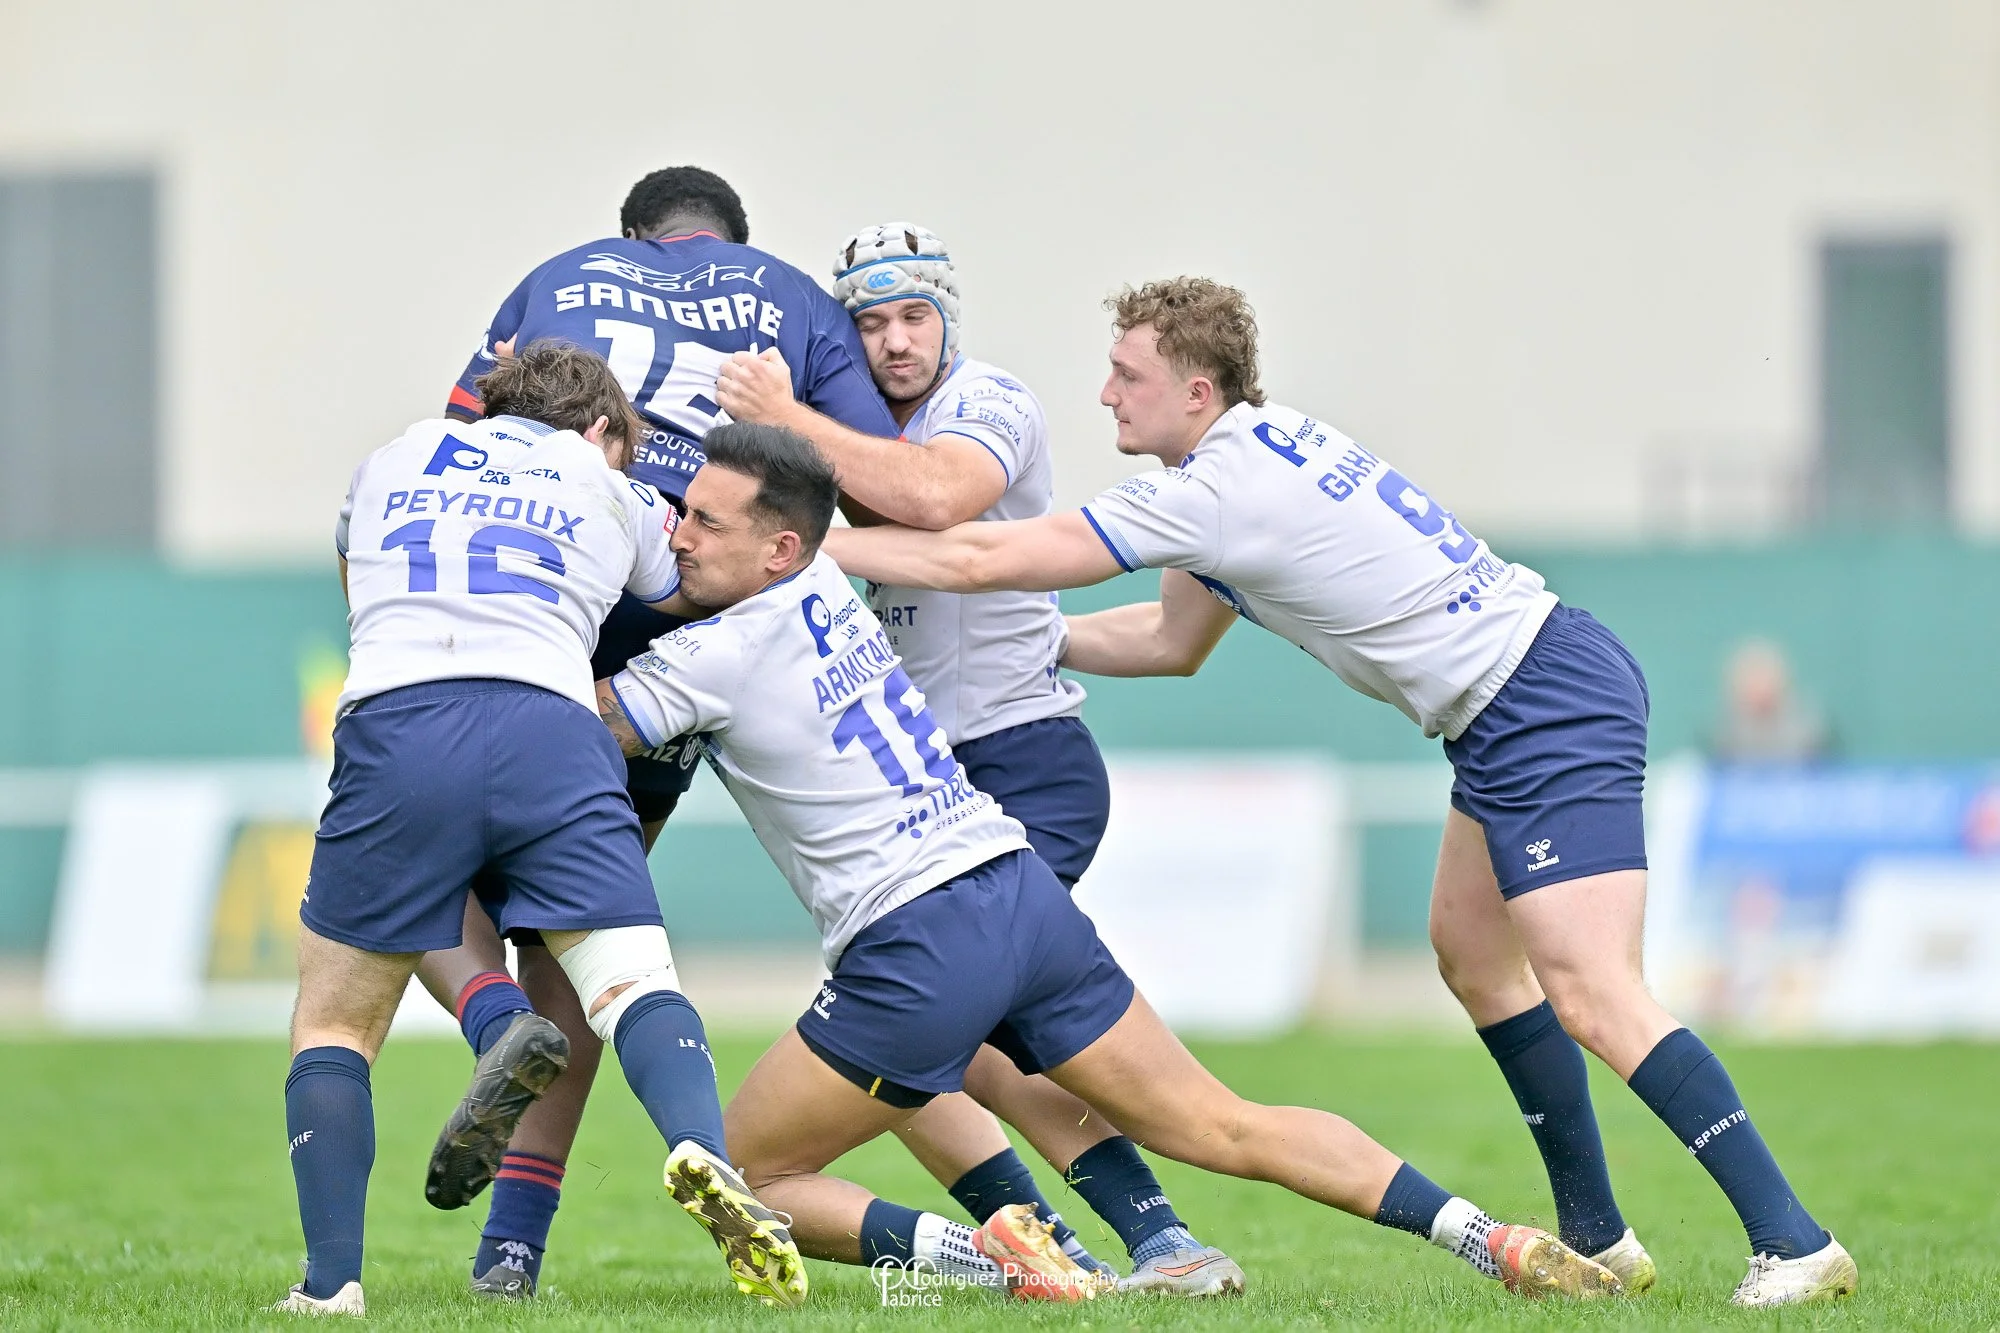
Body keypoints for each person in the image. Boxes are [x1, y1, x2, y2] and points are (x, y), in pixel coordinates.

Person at [820, 278, 1860, 1308]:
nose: (1103, 395)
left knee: (1592, 991)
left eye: (1125, 373)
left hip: (1538, 699)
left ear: (1194, 388)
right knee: (1473, 957)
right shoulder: (1249, 454)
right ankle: (1597, 1234)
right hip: (1509, 702)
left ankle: (1792, 1239)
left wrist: (810, 547)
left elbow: (970, 549)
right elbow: (1171, 640)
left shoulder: (1212, 491)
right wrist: (1027, 652)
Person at [595, 418, 1625, 1305]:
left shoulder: (709, 656)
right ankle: (1486, 1238)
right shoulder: (822, 581)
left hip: (913, 939)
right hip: (1015, 894)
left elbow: (576, 736)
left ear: (779, 546)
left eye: (700, 522)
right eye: (678, 513)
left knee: (744, 1172)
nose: (675, 536)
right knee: (1224, 1123)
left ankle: (992, 1255)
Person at [714, 222, 1241, 1295]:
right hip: (933, 789)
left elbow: (937, 499)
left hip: (1024, 761)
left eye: (914, 316)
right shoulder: (852, 432)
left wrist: (782, 423)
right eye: (870, 322)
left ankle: (1137, 1240)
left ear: (948, 318)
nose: (896, 341)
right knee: (936, 1045)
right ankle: (1093, 1246)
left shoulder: (983, 400)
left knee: (948, 1035)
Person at [409, 166, 900, 1298]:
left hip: (550, 596)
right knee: (586, 943)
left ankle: (488, 1025)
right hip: (698, 598)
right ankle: (512, 1246)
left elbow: (465, 441)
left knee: (413, 869)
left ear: (634, 235)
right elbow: (861, 484)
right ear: (733, 240)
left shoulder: (557, 277)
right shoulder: (790, 299)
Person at [276, 343, 805, 1315]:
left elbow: (355, 577)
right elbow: (682, 582)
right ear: (602, 430)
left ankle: (329, 1286)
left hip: (399, 719)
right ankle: (705, 1155)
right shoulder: (614, 488)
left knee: (334, 1020)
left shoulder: (392, 456)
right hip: (554, 727)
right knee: (630, 980)